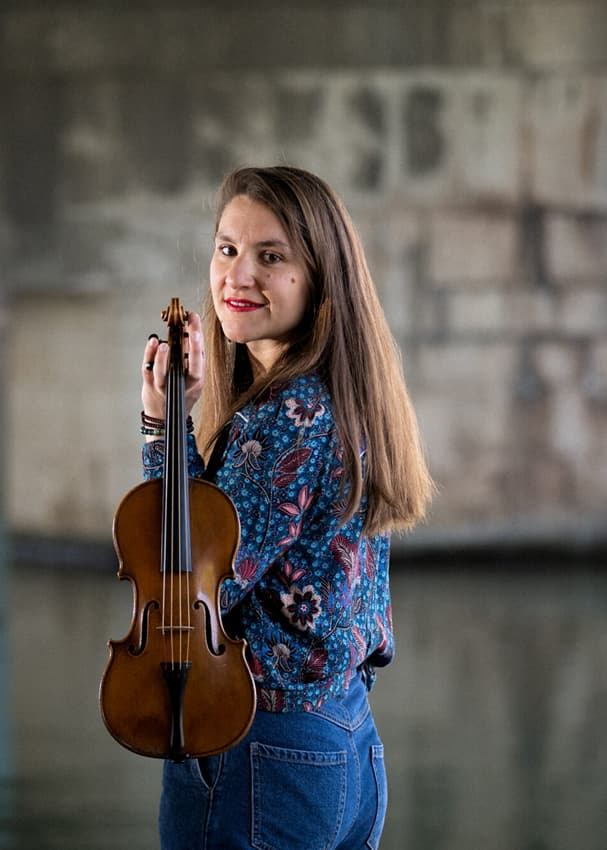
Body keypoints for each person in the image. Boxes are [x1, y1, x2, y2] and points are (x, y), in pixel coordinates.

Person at [140, 166, 433, 850]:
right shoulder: (342, 398)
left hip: (262, 747)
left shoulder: (289, 416)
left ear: (318, 277)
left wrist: (161, 430)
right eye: (227, 249)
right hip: (344, 736)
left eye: (271, 257)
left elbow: (187, 587)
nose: (237, 277)